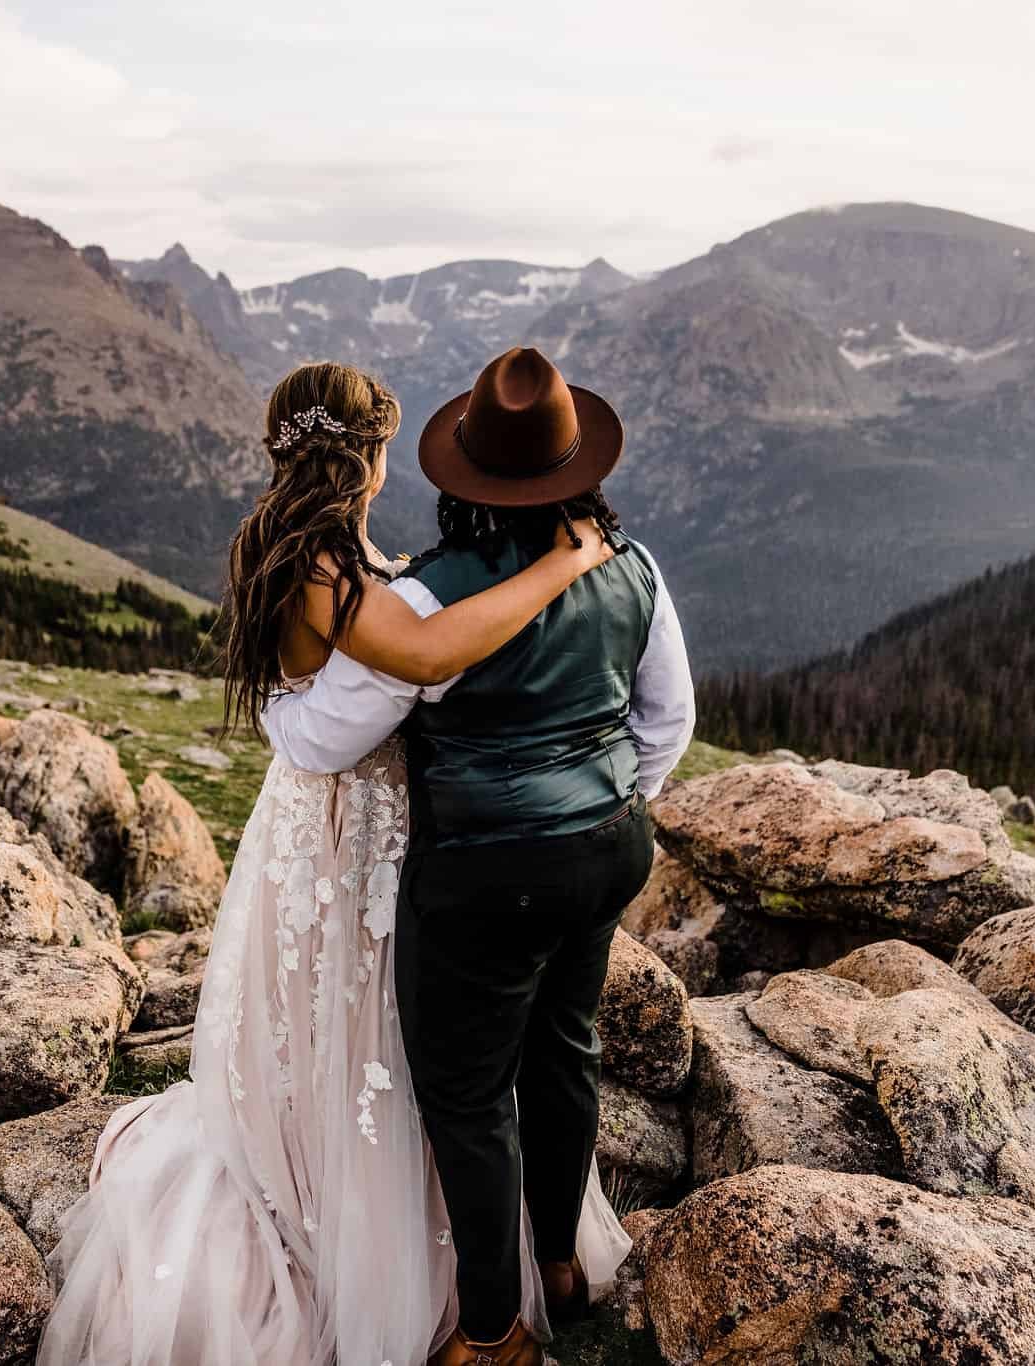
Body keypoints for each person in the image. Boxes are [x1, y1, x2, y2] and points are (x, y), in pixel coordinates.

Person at [37, 360, 625, 1366]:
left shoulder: (321, 549)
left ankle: (410, 1223)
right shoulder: (319, 559)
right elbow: (430, 656)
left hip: (356, 821)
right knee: (362, 1029)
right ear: (375, 452)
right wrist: (565, 568)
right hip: (347, 832)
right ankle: (363, 1236)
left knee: (383, 1035)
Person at [263, 346, 695, 1366]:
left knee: (463, 1091)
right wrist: (606, 806)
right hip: (609, 845)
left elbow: (329, 739)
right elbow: (666, 717)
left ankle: (495, 1330)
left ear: (463, 476)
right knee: (563, 1046)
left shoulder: (423, 604)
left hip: (484, 872)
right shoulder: (631, 564)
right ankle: (557, 1259)